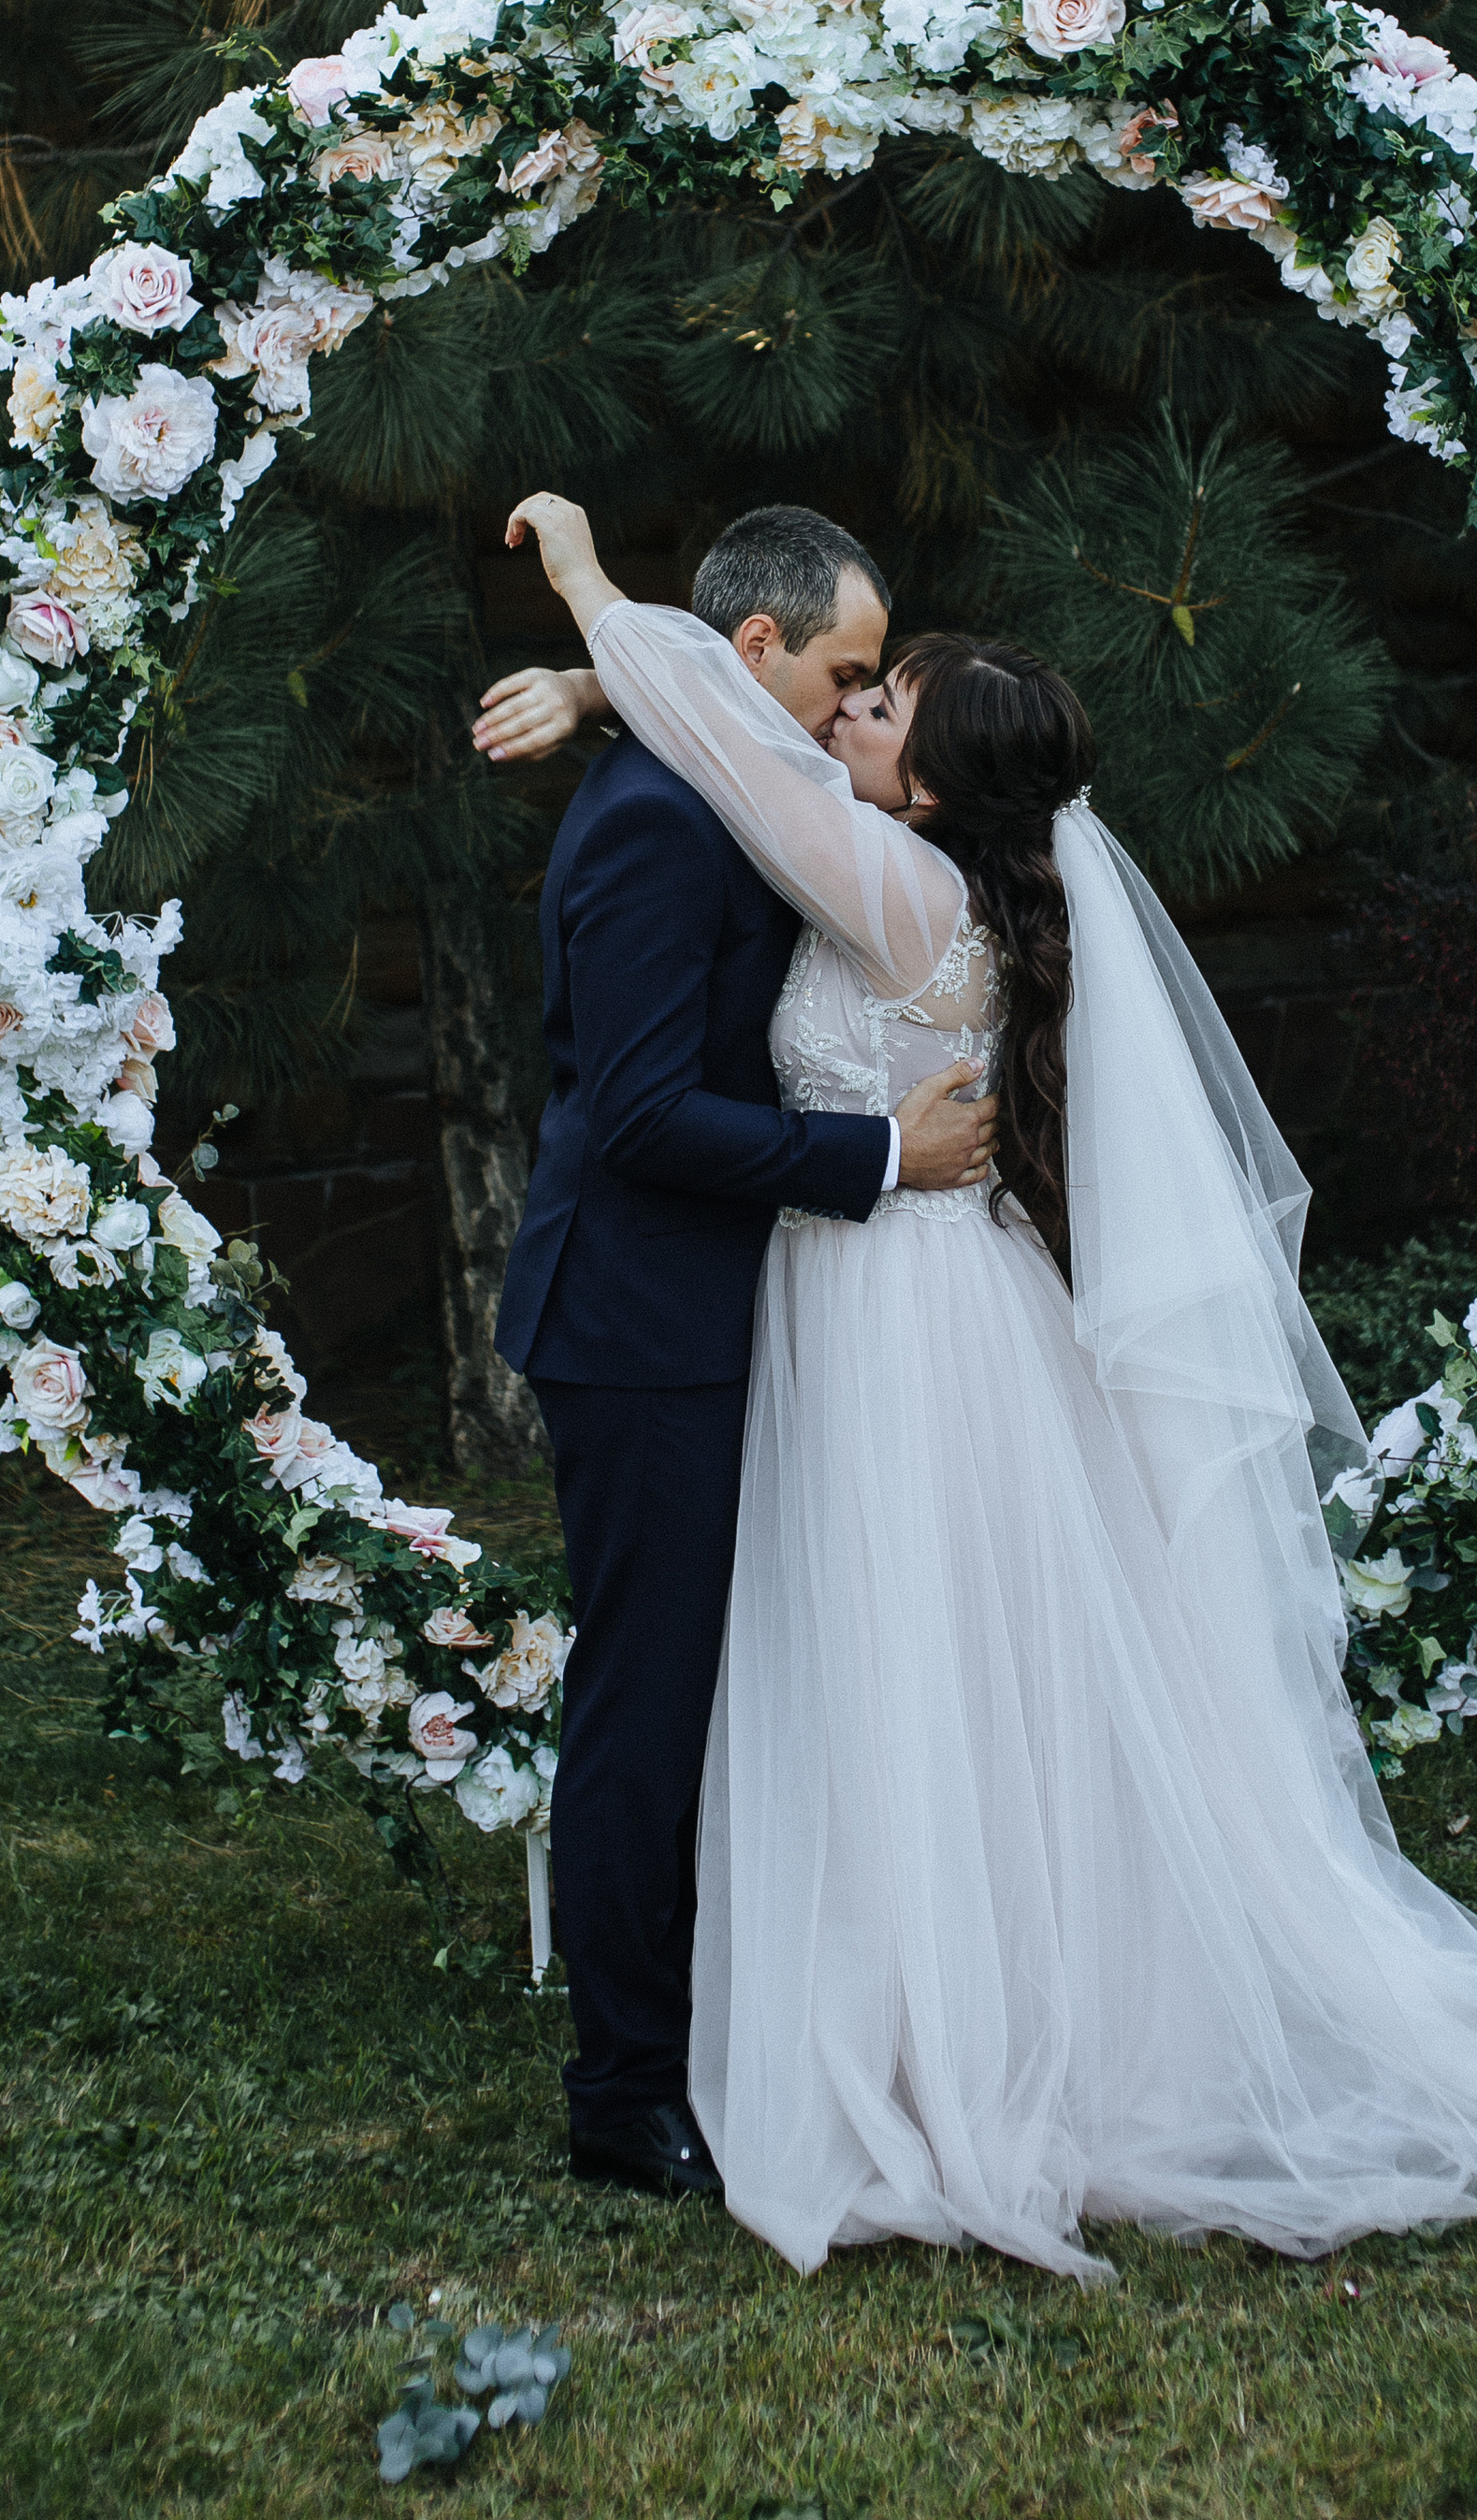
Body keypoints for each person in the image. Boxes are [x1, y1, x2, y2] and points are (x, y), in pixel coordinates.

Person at [481, 490, 1477, 2283]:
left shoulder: (902, 885)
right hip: (809, 1294)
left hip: (897, 1314)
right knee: (849, 1671)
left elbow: (748, 754)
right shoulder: (857, 847)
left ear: (932, 781)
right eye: (847, 679)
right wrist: (609, 675)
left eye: (881, 702)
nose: (850, 714)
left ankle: (901, 2031)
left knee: (901, 1666)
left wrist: (603, 607)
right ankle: (691, 2056)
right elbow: (722, 804)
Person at [481, 504, 1001, 2203]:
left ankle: (734, 2016)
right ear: (758, 655)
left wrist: (591, 675)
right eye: (849, 671)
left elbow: (711, 719)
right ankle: (625, 2090)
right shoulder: (657, 827)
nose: (863, 703)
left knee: (721, 1685)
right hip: (639, 1320)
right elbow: (633, 1116)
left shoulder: (725, 788)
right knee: (649, 1697)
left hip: (718, 1311)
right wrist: (873, 1163)